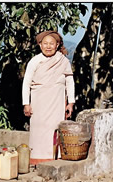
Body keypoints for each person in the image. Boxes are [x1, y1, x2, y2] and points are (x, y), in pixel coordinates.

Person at [22, 31, 75, 166]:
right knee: (38, 130)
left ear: (57, 45)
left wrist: (71, 102)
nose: (48, 46)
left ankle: (55, 157)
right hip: (38, 102)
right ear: (40, 45)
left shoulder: (63, 61)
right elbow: (26, 82)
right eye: (45, 43)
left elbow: (70, 81)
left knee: (55, 129)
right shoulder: (35, 61)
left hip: (57, 103)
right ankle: (36, 159)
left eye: (51, 43)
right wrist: (26, 103)